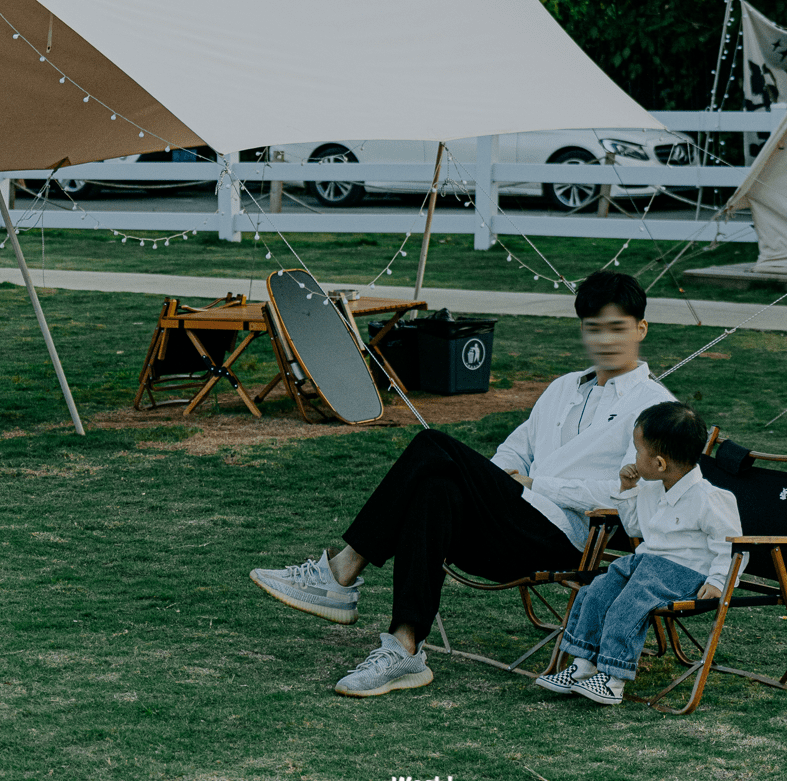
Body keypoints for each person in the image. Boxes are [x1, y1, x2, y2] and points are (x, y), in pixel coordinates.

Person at [250, 271, 675, 697]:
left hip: (565, 538)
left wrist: (536, 485)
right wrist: (490, 484)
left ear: (641, 328)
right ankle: (404, 650)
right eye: (593, 328)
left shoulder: (655, 405)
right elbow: (513, 451)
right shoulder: (565, 387)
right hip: (508, 522)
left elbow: (627, 496)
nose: (604, 340)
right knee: (436, 487)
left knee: (433, 444)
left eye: (617, 328)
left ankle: (341, 572)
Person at [533, 400, 742, 707]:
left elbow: (732, 544)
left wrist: (720, 580)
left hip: (684, 573)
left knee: (628, 603)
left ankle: (613, 679)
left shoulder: (710, 499)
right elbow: (633, 528)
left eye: (637, 450)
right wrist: (627, 489)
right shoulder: (651, 489)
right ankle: (582, 665)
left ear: (658, 463)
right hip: (644, 564)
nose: (633, 458)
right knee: (597, 590)